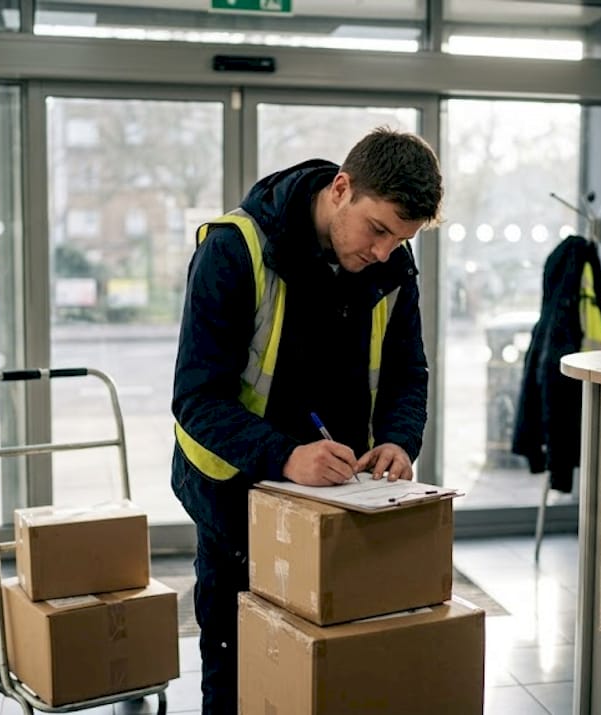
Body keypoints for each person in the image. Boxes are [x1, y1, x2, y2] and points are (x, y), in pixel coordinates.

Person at [170, 127, 442, 714]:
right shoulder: (234, 248)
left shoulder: (391, 263)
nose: (383, 252)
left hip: (342, 506)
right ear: (341, 188)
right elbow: (196, 399)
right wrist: (285, 456)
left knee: (335, 673)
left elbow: (407, 372)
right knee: (241, 677)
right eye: (378, 230)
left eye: (400, 239)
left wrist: (399, 438)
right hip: (235, 506)